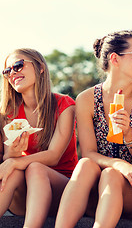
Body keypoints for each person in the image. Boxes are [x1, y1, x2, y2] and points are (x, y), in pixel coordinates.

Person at [55, 30, 132, 228]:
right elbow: (88, 153)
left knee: (110, 175)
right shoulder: (86, 99)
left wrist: (128, 133)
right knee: (86, 165)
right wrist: (118, 164)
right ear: (115, 59)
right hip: (98, 189)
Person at [0, 48, 78, 227]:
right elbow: (8, 161)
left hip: (63, 192)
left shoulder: (64, 105)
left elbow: (53, 156)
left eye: (18, 66)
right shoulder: (9, 114)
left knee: (35, 167)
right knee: (14, 172)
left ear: (40, 67)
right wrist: (12, 155)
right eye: (7, 71)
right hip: (24, 196)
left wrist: (14, 162)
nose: (13, 73)